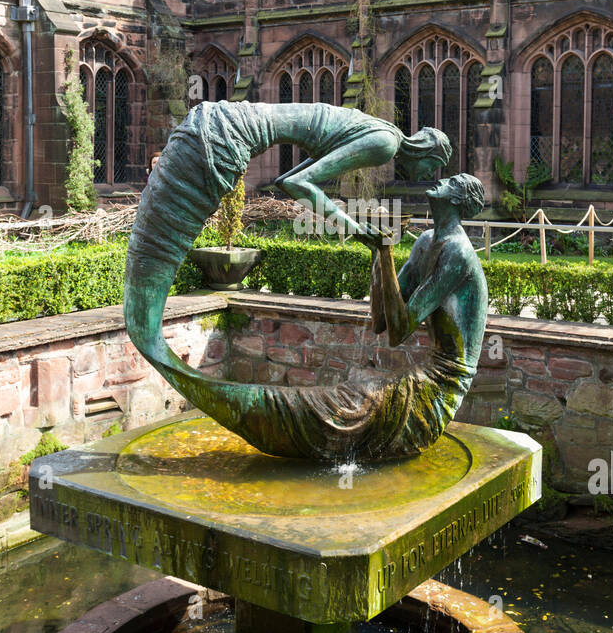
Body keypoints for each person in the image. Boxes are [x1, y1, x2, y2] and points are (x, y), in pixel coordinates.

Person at [126, 172, 488, 462]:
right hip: (425, 372)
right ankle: (271, 413)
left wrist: (387, 252)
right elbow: (382, 321)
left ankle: (279, 416)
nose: (442, 181)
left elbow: (400, 330)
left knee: (350, 408)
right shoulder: (426, 242)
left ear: (458, 201)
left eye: (453, 182)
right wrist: (380, 255)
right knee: (345, 399)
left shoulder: (456, 252)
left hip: (444, 387)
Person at [126, 100, 452, 392]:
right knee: (159, 252)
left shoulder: (383, 131)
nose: (427, 176)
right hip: (220, 140)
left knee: (155, 254)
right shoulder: (384, 144)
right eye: (432, 167)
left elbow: (288, 180)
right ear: (428, 152)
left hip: (215, 123)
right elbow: (299, 184)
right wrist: (355, 229)